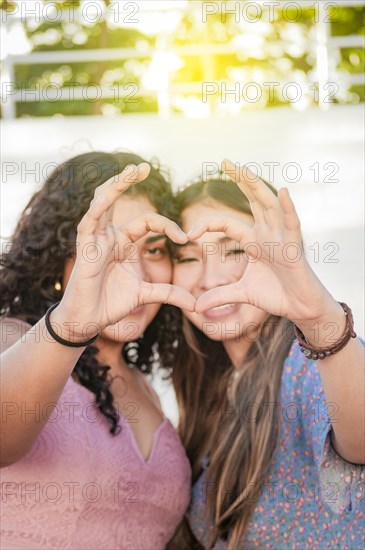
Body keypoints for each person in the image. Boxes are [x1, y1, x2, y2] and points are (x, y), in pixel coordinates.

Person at [0, 151, 193, 550]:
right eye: (111, 245)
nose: (134, 271)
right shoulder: (13, 336)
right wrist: (69, 324)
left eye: (155, 250)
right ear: (61, 253)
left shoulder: (147, 387)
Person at [170, 160, 365, 549]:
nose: (210, 279)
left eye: (236, 249)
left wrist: (319, 317)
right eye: (188, 257)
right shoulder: (207, 383)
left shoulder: (312, 362)